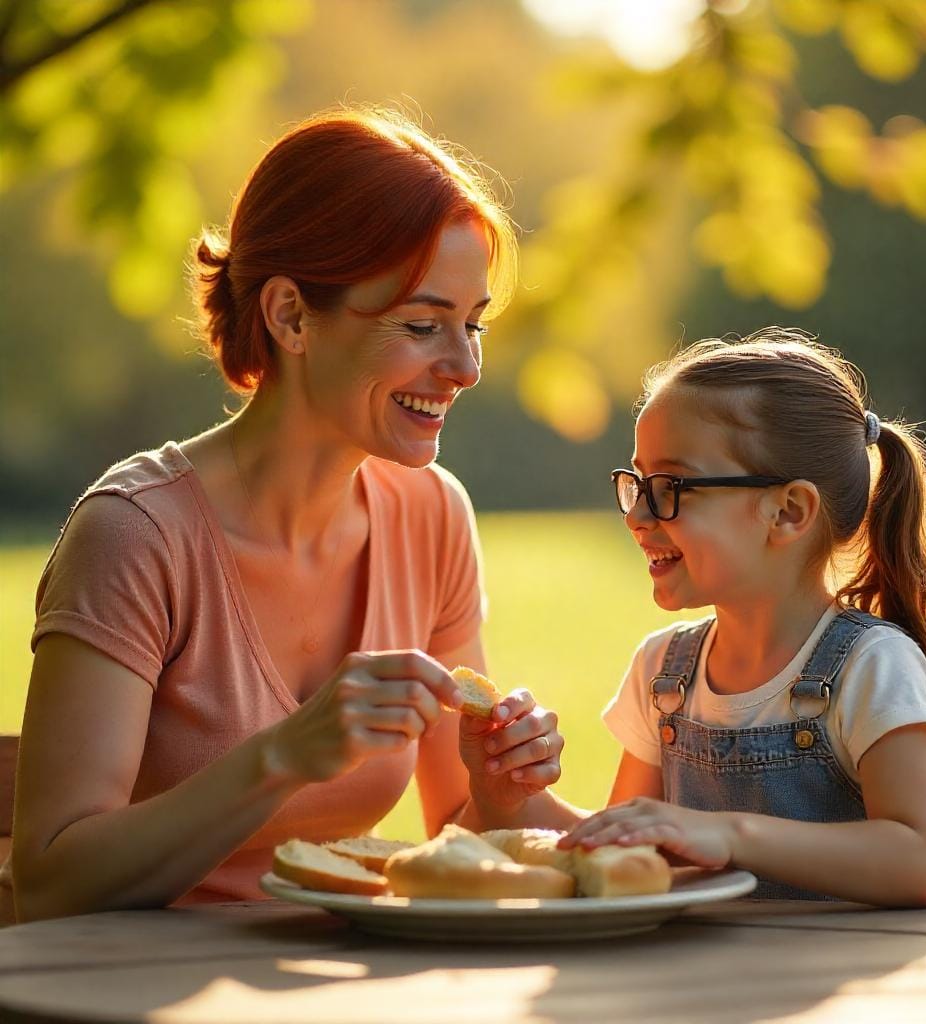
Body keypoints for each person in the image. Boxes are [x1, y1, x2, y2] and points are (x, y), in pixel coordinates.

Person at [9, 108, 570, 923]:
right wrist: (282, 756)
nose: (466, 367)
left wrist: (499, 793)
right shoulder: (136, 533)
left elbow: (454, 832)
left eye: (472, 324)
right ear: (291, 316)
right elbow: (52, 882)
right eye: (422, 325)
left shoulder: (432, 515)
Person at [559, 327, 926, 907]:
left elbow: (921, 862)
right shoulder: (663, 673)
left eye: (671, 485)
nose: (639, 516)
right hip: (725, 989)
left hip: (877, 989)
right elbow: (627, 853)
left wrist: (728, 833)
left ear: (788, 511)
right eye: (639, 484)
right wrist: (508, 794)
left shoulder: (871, 665)